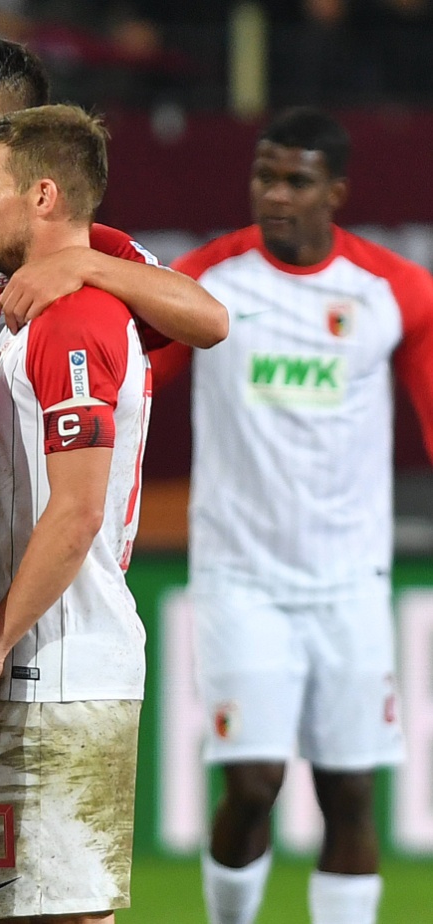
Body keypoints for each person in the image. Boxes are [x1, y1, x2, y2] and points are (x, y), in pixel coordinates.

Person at [0, 31, 229, 924]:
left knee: (40, 899)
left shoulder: (85, 271)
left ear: (19, 136)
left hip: (40, 629)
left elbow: (207, 316)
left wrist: (81, 262)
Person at [161, 107, 433, 924]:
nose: (275, 196)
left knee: (350, 792)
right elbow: (137, 382)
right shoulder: (213, 279)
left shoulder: (395, 292)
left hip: (350, 583)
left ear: (336, 193)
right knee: (254, 782)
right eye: (264, 177)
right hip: (240, 579)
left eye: (296, 182)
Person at [0, 104, 154, 924]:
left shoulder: (78, 321)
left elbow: (77, 514)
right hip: (34, 673)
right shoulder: (30, 321)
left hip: (59, 671)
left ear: (40, 197)